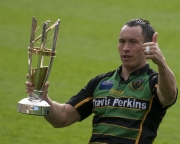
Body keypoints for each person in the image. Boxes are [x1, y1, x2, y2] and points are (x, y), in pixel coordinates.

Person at [25, 18, 178, 144]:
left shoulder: (153, 82)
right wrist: (43, 99)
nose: (125, 48)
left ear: (147, 46)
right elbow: (63, 117)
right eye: (121, 41)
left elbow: (169, 95)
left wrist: (161, 64)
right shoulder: (100, 82)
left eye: (133, 42)